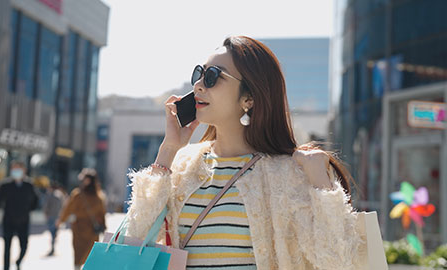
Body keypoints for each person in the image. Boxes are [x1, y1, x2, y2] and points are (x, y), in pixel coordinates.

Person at [121, 36, 368, 269]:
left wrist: (321, 185)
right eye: (200, 73)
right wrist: (168, 150)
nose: (198, 85)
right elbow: (132, 242)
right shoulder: (184, 165)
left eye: (213, 76)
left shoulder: (287, 173)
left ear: (248, 98)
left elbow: (337, 261)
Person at [0, 161, 39, 270]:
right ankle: (6, 268)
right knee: (7, 247)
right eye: (14, 169)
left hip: (24, 221)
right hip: (8, 220)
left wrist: (28, 210)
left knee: (24, 246)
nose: (16, 171)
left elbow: (36, 201)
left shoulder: (29, 185)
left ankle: (18, 261)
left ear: (24, 170)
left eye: (18, 169)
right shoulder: (5, 185)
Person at [56, 168, 106, 270]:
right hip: (91, 230)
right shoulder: (98, 196)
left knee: (80, 254)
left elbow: (68, 208)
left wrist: (61, 220)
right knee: (90, 254)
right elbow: (102, 214)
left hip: (81, 228)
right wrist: (103, 226)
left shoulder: (79, 194)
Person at [43, 181, 66, 256]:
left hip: (52, 216)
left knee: (52, 233)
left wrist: (46, 213)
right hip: (58, 216)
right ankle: (53, 248)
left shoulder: (51, 195)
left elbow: (46, 206)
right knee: (54, 233)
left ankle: (52, 248)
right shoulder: (61, 195)